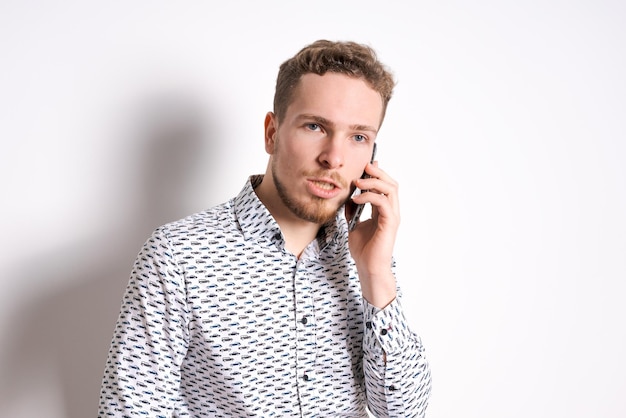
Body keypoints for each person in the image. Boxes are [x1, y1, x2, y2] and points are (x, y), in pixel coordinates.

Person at [98, 39, 431, 417]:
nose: (334, 158)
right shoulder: (177, 255)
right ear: (272, 133)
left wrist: (376, 274)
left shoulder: (367, 258)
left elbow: (403, 412)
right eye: (315, 126)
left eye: (358, 137)